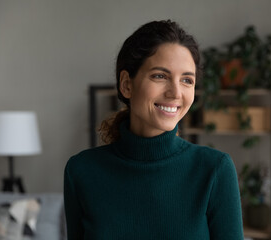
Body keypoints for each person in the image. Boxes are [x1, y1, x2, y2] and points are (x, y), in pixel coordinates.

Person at [64, 20, 244, 240]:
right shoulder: (82, 171)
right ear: (126, 84)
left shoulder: (214, 170)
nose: (176, 92)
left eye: (187, 80)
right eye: (160, 76)